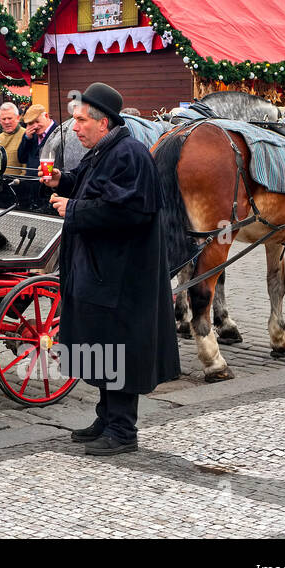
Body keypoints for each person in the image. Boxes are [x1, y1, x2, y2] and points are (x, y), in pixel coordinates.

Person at [40, 82, 180, 455]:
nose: (75, 128)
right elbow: (94, 188)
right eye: (74, 120)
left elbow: (129, 211)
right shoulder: (104, 150)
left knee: (118, 349)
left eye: (82, 121)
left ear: (104, 123)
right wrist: (63, 181)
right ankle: (106, 416)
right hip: (99, 272)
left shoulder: (129, 154)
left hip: (123, 278)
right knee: (100, 346)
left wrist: (74, 209)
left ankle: (123, 430)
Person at [17, 105, 57, 210]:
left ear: (46, 116)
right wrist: (27, 138)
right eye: (30, 123)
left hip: (48, 190)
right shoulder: (31, 136)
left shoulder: (58, 132)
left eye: (37, 121)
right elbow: (21, 158)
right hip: (31, 189)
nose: (34, 126)